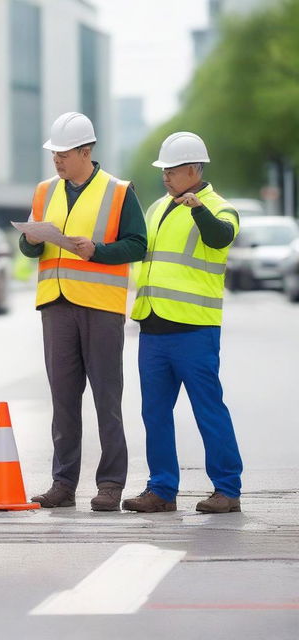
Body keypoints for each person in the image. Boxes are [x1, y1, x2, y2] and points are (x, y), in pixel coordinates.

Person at [20, 112, 147, 511]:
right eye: (54, 153)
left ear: (86, 151)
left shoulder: (119, 191)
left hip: (100, 308)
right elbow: (30, 246)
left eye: (63, 153)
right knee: (62, 399)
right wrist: (31, 241)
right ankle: (63, 483)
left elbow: (137, 244)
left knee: (106, 398)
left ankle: (110, 484)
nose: (56, 160)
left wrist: (99, 251)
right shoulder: (44, 192)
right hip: (56, 305)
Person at [122, 132, 243, 514]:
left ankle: (227, 489)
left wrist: (198, 209)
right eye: (163, 171)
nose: (165, 177)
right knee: (154, 413)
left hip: (194, 329)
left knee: (209, 410)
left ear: (194, 169)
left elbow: (220, 238)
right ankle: (161, 489)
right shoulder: (157, 207)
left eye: (172, 170)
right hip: (153, 327)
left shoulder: (221, 209)